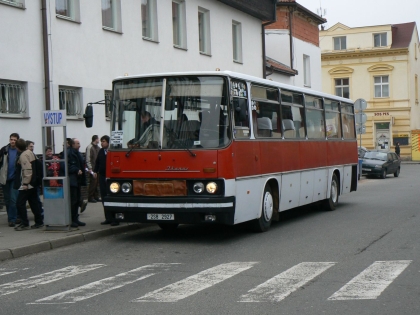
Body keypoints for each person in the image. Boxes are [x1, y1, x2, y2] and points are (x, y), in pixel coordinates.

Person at [13, 138, 44, 231]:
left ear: (17, 147)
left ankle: (25, 223)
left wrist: (26, 183)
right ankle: (39, 222)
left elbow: (27, 170)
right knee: (34, 203)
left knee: (20, 203)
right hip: (33, 183)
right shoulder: (30, 153)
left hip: (27, 184)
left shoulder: (23, 155)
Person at [93, 135, 119, 226]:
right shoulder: (101, 151)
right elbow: (97, 162)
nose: (102, 143)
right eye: (101, 141)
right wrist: (95, 171)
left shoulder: (112, 151)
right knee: (104, 197)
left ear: (108, 142)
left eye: (103, 141)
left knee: (113, 197)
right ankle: (108, 218)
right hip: (102, 176)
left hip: (112, 178)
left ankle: (115, 218)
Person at [0, 133, 20, 227]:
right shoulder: (4, 150)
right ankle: (11, 217)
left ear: (17, 141)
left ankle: (13, 219)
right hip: (5, 178)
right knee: (7, 200)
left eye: (15, 140)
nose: (12, 141)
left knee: (13, 199)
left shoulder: (19, 151)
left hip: (14, 179)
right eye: (11, 139)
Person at [67, 138, 87, 228]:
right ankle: (72, 220)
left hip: (78, 180)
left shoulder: (77, 153)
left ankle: (76, 218)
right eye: (77, 143)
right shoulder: (68, 153)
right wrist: (76, 170)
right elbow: (66, 166)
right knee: (73, 201)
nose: (79, 145)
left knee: (77, 200)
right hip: (72, 181)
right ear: (72, 144)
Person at [25, 140, 44, 219]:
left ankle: (40, 214)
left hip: (34, 181)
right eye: (31, 146)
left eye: (33, 146)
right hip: (30, 181)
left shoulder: (33, 156)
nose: (32, 148)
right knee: (34, 200)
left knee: (35, 200)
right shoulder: (27, 156)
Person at [85, 135, 100, 203]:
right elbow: (88, 159)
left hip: (97, 168)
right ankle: (90, 197)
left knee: (96, 183)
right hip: (92, 168)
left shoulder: (98, 148)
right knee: (93, 183)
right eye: (98, 139)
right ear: (96, 139)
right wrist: (90, 168)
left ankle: (96, 196)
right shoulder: (89, 147)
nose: (99, 140)